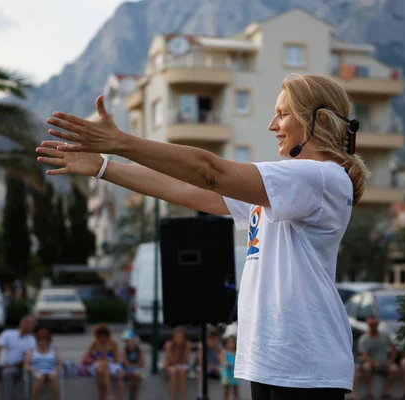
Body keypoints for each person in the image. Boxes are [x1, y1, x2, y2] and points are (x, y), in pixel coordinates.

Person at [37, 73, 369, 400]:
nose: (272, 125)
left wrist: (122, 142)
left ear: (319, 120)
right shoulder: (289, 185)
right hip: (276, 362)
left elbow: (210, 172)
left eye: (282, 114)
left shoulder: (321, 178)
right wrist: (103, 166)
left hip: (305, 365)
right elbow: (187, 190)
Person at [0, 316, 37, 400]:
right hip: (1, 365)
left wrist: (12, 366)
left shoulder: (31, 340)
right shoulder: (8, 333)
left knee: (7, 373)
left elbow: (28, 360)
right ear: (21, 323)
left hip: (16, 368)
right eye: (28, 323)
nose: (31, 326)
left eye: (32, 325)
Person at [358, 315, 399, 400]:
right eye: (371, 324)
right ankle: (369, 392)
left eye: (375, 324)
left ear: (378, 324)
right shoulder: (364, 339)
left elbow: (394, 348)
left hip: (384, 362)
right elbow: (364, 355)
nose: (373, 326)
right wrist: (372, 362)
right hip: (371, 362)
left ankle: (385, 391)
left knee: (395, 369)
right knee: (366, 367)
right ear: (368, 324)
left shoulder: (385, 336)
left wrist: (391, 360)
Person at [84, 324, 125, 400]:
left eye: (104, 336)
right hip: (99, 366)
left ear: (107, 335)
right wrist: (97, 358)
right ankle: (110, 394)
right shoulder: (94, 343)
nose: (102, 338)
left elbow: (116, 360)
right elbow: (86, 358)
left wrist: (107, 359)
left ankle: (110, 395)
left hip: (111, 366)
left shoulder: (113, 344)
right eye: (100, 336)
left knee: (106, 371)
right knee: (102, 368)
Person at [24, 328, 62, 400]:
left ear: (48, 340)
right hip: (37, 372)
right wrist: (34, 371)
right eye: (40, 340)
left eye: (45, 340)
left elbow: (59, 364)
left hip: (50, 371)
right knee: (39, 379)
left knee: (53, 378)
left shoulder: (54, 349)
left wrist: (55, 370)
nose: (42, 342)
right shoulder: (32, 350)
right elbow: (26, 365)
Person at [164, 327, 191, 400]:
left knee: (182, 372)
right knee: (173, 371)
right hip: (170, 365)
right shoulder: (169, 345)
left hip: (181, 366)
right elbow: (172, 360)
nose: (180, 339)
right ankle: (172, 398)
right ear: (173, 337)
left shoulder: (187, 345)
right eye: (178, 337)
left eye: (181, 337)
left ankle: (183, 398)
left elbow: (185, 360)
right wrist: (177, 350)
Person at [121, 329, 145, 400]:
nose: (128, 342)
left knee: (137, 375)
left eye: (130, 340)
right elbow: (126, 363)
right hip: (127, 370)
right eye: (126, 341)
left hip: (136, 370)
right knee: (134, 375)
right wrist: (135, 365)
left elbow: (142, 363)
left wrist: (134, 365)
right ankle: (132, 396)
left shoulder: (139, 349)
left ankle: (134, 396)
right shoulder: (125, 350)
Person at [220, 335, 239, 400]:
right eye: (229, 342)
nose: (231, 344)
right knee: (226, 391)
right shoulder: (224, 352)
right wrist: (226, 364)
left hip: (234, 374)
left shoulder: (236, 352)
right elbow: (222, 361)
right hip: (226, 374)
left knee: (235, 391)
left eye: (232, 342)